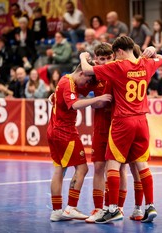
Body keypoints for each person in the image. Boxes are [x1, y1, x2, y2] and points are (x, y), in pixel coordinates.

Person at [79, 36, 162, 224]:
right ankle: (149, 205)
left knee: (113, 164)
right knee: (142, 165)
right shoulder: (146, 64)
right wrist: (152, 50)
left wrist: (82, 55)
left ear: (119, 52)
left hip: (122, 121)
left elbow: (86, 70)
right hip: (142, 121)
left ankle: (112, 209)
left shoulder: (118, 67)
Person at [83, 43, 147, 223]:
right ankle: (98, 208)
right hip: (101, 129)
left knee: (123, 169)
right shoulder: (94, 76)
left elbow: (139, 61)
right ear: (96, 59)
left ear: (114, 56)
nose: (104, 62)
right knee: (98, 168)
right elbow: (79, 90)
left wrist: (151, 51)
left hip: (121, 128)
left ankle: (118, 207)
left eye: (108, 58)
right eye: (101, 59)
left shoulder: (119, 71)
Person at [48, 64, 112, 222]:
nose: (86, 85)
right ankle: (71, 208)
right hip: (65, 132)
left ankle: (57, 211)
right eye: (87, 80)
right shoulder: (68, 83)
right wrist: (97, 99)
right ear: (82, 73)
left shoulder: (66, 81)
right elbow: (74, 104)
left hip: (54, 130)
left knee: (59, 169)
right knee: (82, 168)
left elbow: (56, 97)